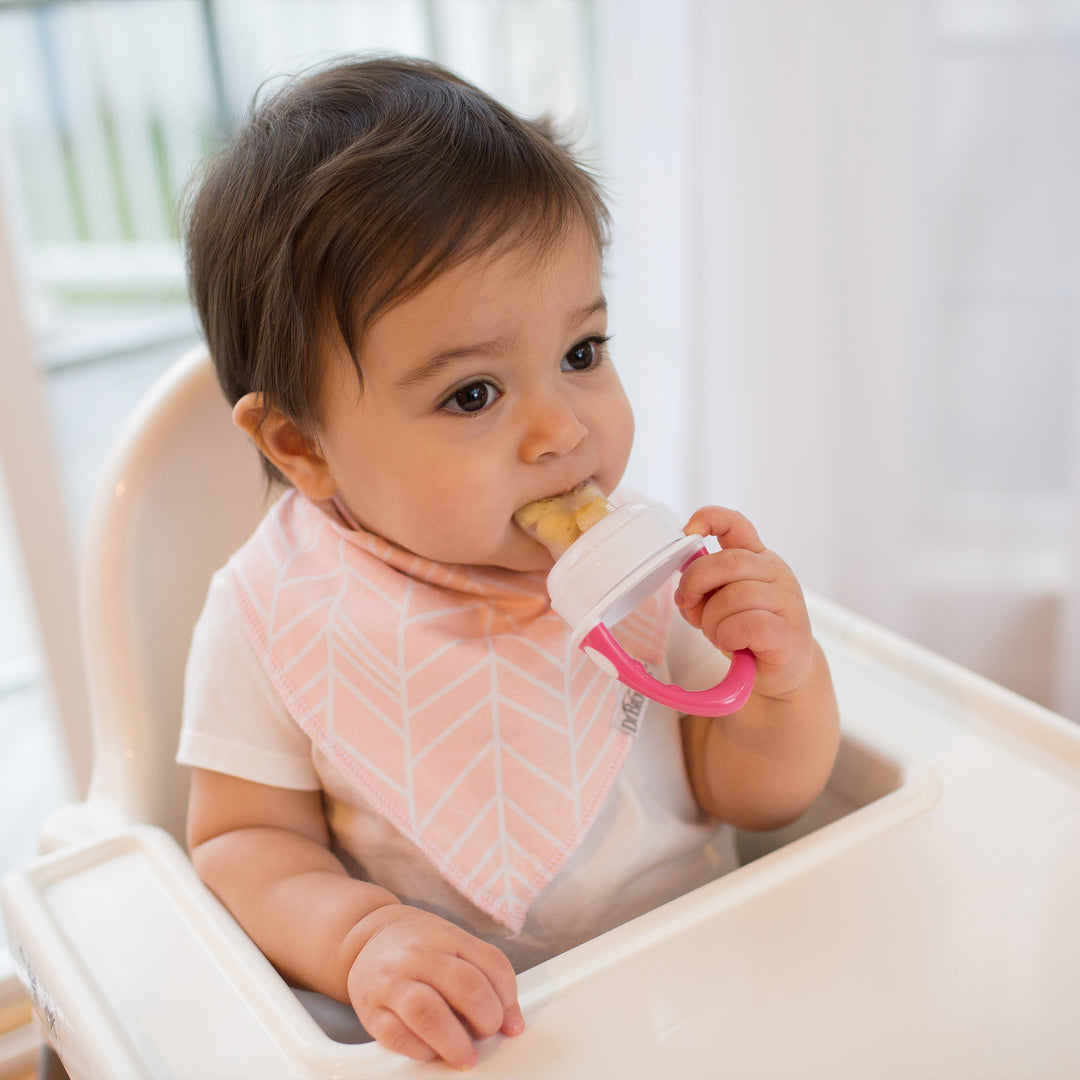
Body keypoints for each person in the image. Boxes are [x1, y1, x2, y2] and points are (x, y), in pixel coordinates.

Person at [177, 55, 840, 1070]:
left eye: (582, 353)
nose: (561, 430)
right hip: (470, 1047)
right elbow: (240, 845)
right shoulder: (273, 612)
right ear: (301, 448)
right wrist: (361, 939)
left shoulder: (644, 567)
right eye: (473, 396)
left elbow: (746, 792)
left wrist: (781, 684)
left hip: (706, 997)